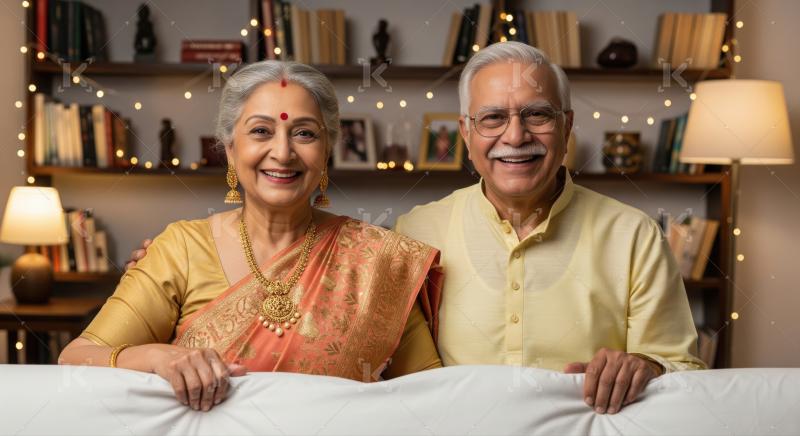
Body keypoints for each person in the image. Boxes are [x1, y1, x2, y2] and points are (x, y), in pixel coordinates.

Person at [59, 61, 443, 412]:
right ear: (230, 148)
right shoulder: (181, 249)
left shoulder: (379, 260)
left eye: (304, 133)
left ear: (327, 151)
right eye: (261, 131)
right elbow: (77, 358)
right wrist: (157, 358)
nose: (282, 152)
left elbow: (432, 397)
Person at [395, 42, 706, 415]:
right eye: (493, 118)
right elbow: (393, 376)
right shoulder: (414, 232)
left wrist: (646, 366)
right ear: (465, 131)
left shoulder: (633, 236)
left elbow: (685, 371)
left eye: (537, 115)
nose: (515, 137)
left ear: (567, 125)